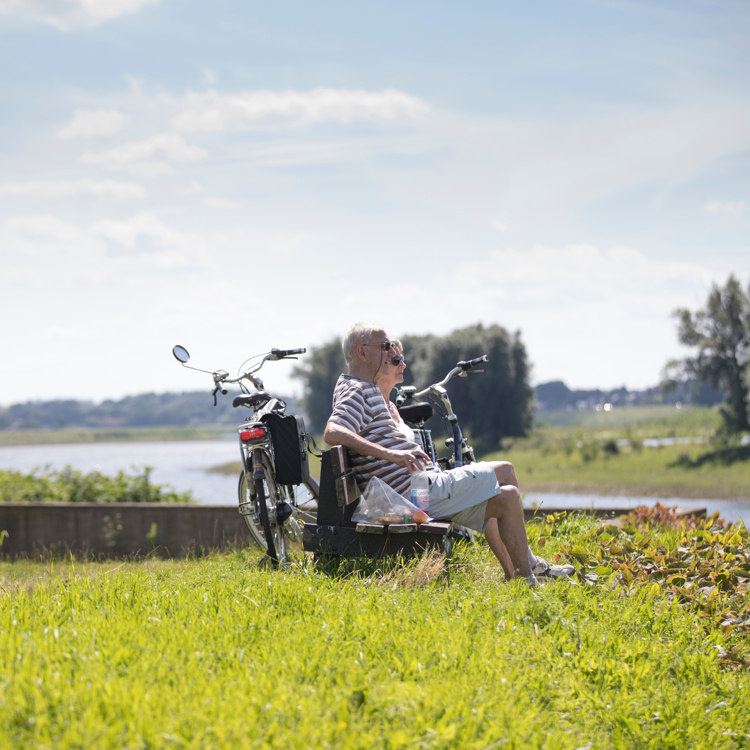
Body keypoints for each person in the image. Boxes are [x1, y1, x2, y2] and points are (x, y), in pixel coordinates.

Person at [323, 322, 574, 585]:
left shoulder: (365, 389)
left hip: (418, 491)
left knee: (507, 497)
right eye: (385, 347)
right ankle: (529, 577)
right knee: (506, 470)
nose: (390, 353)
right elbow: (332, 431)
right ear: (362, 352)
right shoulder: (357, 390)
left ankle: (522, 577)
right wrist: (391, 454)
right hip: (415, 495)